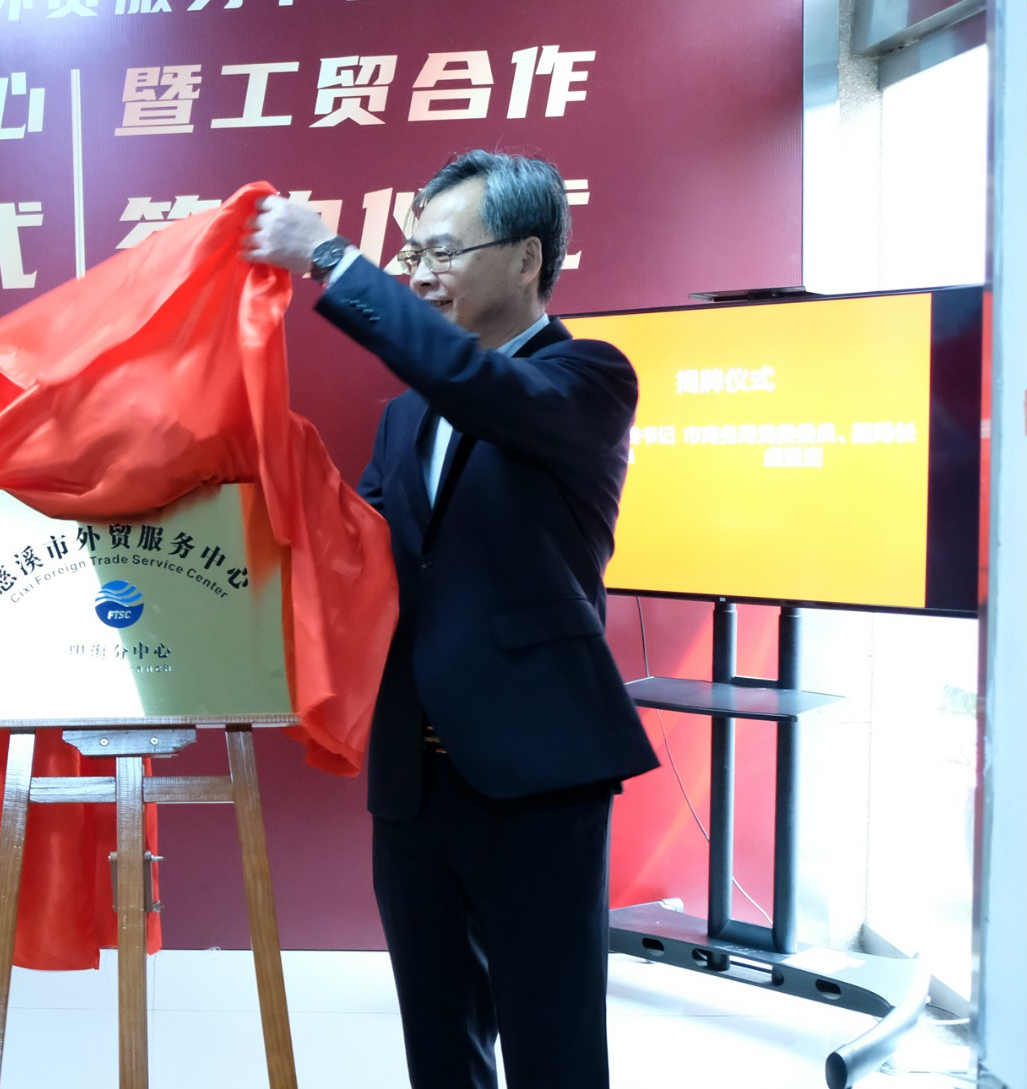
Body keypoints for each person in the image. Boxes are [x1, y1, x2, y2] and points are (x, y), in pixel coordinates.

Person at [242, 150, 657, 1089]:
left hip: (537, 774)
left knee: (552, 1048)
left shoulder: (586, 378)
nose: (421, 274)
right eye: (412, 254)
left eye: (442, 251)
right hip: (413, 778)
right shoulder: (406, 417)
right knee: (438, 1040)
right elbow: (356, 550)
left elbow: (479, 385)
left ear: (527, 257)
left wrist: (333, 262)